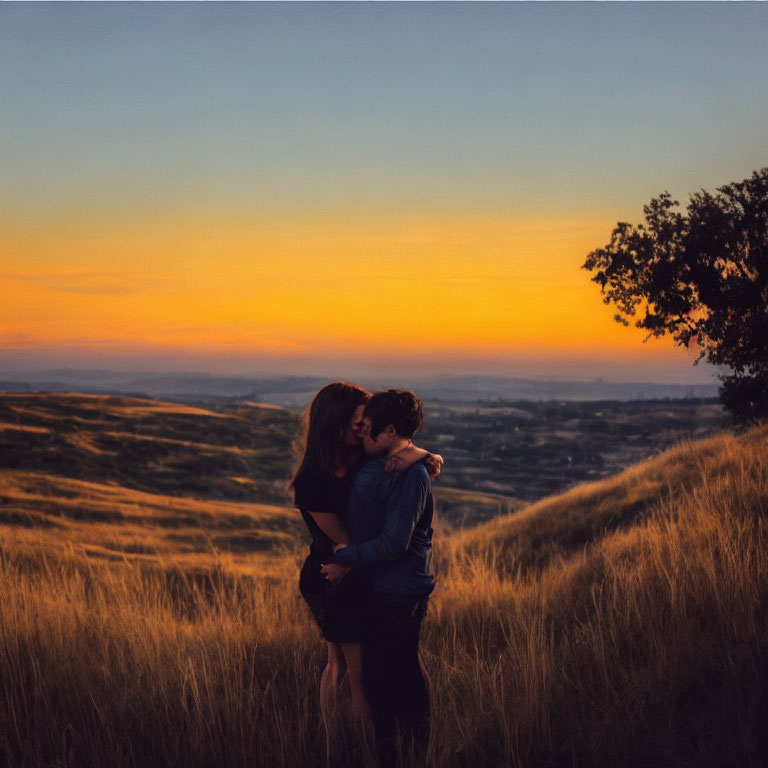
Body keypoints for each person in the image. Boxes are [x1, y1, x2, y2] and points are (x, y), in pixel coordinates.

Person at [290, 382, 440, 763]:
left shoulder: (360, 457)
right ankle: (338, 748)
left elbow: (396, 447)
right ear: (335, 421)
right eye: (358, 421)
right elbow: (346, 540)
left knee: (359, 671)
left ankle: (366, 748)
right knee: (341, 667)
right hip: (333, 575)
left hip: (358, 569)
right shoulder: (313, 480)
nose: (363, 428)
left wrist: (421, 455)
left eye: (366, 422)